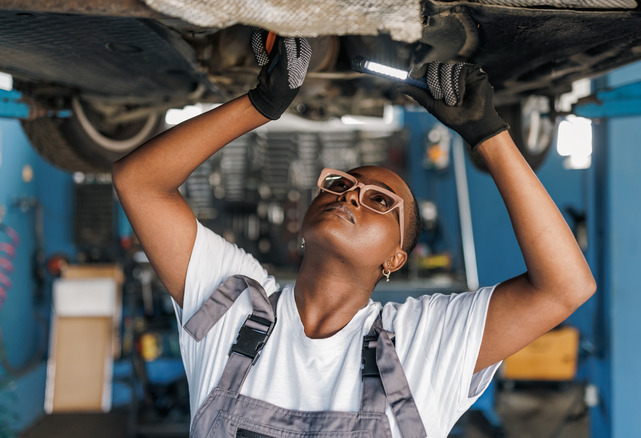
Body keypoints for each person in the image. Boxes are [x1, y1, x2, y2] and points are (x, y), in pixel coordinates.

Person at [113, 33, 595, 438]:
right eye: (341, 184)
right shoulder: (234, 306)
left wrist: (490, 135)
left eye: (380, 200)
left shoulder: (420, 344)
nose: (351, 196)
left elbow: (565, 286)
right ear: (304, 222)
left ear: (395, 258)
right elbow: (139, 184)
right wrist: (259, 106)